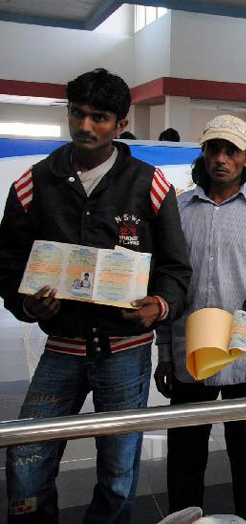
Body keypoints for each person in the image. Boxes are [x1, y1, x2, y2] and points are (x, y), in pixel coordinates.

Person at [0, 68, 191, 523]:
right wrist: (25, 303)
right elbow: (6, 262)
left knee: (119, 472)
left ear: (121, 124)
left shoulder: (151, 184)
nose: (86, 126)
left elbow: (176, 268)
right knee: (27, 458)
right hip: (61, 348)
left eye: (99, 117)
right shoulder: (34, 184)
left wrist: (159, 304)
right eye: (78, 113)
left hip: (124, 352)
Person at [154, 115, 246, 523]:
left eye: (231, 151)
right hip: (191, 356)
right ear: (203, 154)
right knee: (184, 461)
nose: (221, 159)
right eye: (214, 149)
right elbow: (166, 282)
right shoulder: (178, 210)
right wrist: (165, 354)